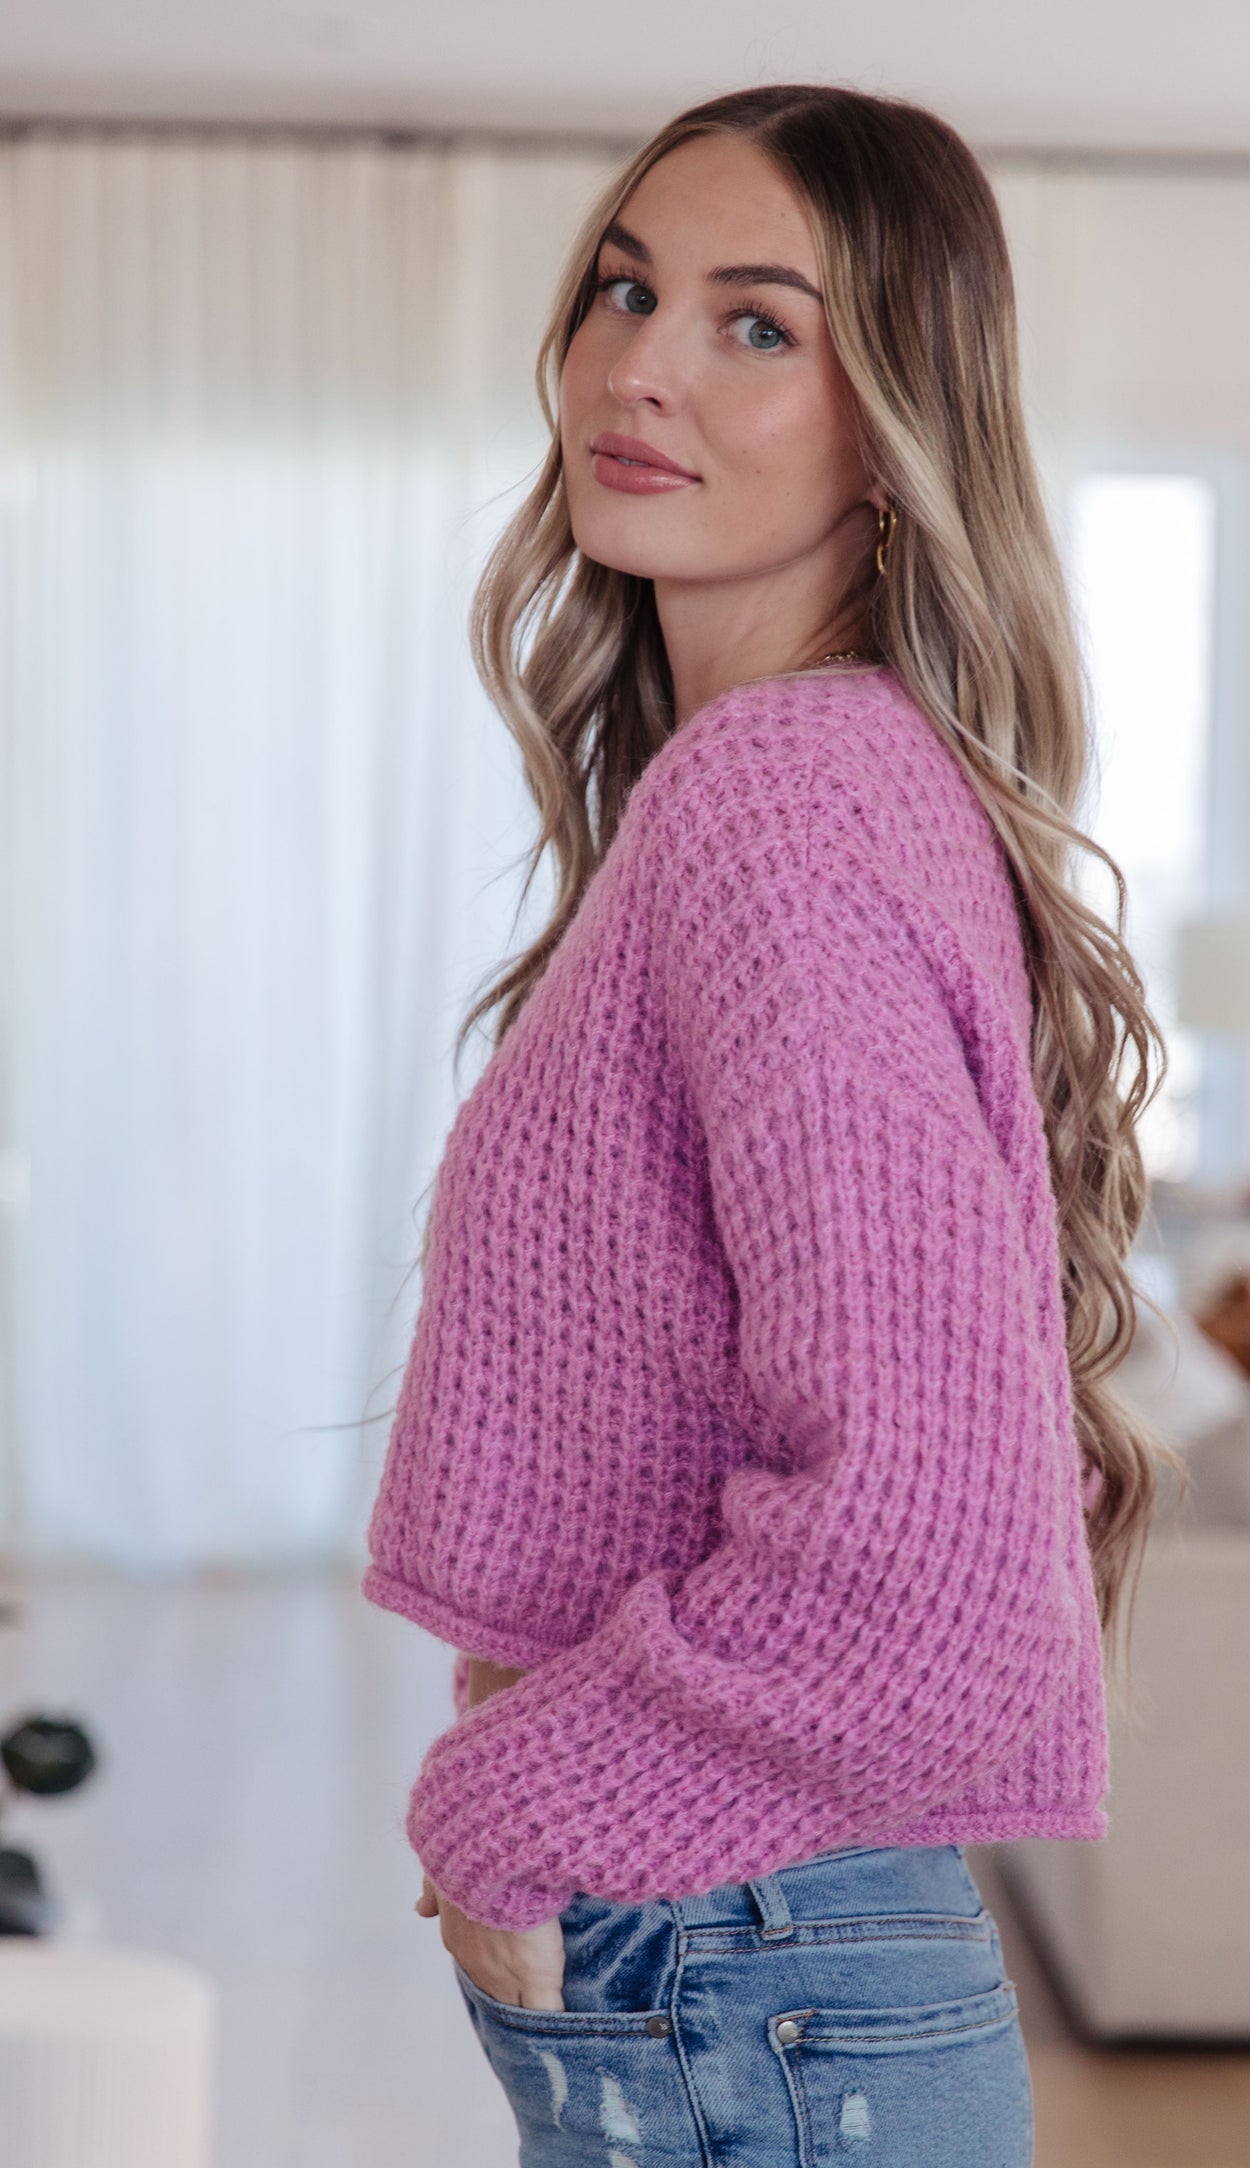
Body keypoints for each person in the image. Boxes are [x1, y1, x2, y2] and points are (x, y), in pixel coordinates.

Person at [362, 80, 1173, 2167]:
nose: (636, 363)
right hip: (773, 1967)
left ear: (897, 426)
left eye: (757, 322)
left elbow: (922, 1543)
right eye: (625, 288)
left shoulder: (782, 803)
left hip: (745, 1964)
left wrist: (508, 1806)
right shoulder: (799, 783)